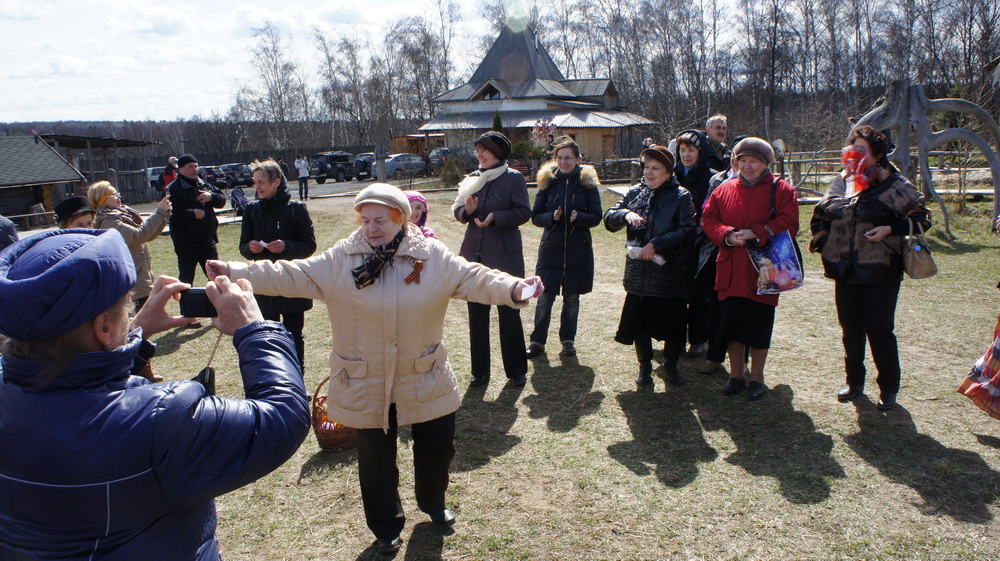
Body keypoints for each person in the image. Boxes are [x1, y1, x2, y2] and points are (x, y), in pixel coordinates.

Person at [206, 184, 542, 554]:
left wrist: (514, 288)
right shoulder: (341, 259)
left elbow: (475, 277)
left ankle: (433, 504)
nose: (372, 227)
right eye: (366, 220)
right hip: (364, 377)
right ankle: (385, 526)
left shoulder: (430, 256)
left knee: (437, 449)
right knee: (375, 462)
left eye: (380, 219)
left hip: (424, 372)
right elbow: (290, 274)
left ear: (403, 218)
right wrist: (235, 270)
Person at [0, 229, 310, 559]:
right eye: (125, 309)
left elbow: (75, 395)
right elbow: (282, 417)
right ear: (104, 328)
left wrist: (133, 336)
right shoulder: (158, 421)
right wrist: (254, 329)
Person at [810, 125, 930, 410]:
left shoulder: (894, 184)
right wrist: (825, 242)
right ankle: (854, 382)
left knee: (879, 330)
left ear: (877, 153)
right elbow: (821, 214)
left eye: (862, 149)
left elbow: (922, 218)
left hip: (881, 271)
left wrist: (889, 229)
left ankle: (888, 387)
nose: (855, 154)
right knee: (850, 329)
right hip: (846, 270)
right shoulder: (843, 181)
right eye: (852, 148)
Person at [702, 137, 799, 401]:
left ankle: (757, 378)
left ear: (766, 163)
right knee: (732, 324)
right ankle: (735, 375)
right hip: (731, 267)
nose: (747, 166)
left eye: (753, 161)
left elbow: (790, 222)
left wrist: (757, 231)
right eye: (742, 160)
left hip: (764, 271)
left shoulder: (782, 190)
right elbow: (709, 219)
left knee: (759, 325)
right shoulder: (723, 189)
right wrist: (727, 235)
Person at [604, 145, 696, 388]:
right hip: (638, 276)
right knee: (640, 325)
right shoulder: (635, 193)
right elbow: (609, 217)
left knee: (673, 326)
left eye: (656, 168)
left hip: (668, 274)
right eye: (646, 167)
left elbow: (688, 231)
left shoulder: (681, 196)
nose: (649, 172)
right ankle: (644, 366)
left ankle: (671, 365)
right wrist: (624, 214)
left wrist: (657, 244)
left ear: (668, 172)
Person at [452, 131, 532, 387]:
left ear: (498, 153)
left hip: (505, 256)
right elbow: (457, 210)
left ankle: (517, 370)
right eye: (477, 150)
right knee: (476, 314)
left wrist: (495, 217)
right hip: (474, 256)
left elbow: (523, 212)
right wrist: (468, 211)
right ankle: (480, 371)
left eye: (484, 150)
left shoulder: (513, 178)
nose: (479, 155)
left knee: (509, 312)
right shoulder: (473, 178)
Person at [526, 138, 603, 359]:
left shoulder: (587, 183)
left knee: (571, 299)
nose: (563, 161)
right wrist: (552, 216)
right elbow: (535, 216)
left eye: (568, 157)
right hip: (551, 248)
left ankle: (568, 341)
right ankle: (537, 342)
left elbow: (597, 216)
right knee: (544, 298)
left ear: (578, 159)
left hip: (578, 249)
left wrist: (580, 218)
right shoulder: (547, 182)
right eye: (559, 157)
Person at [240, 159, 316, 369]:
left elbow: (309, 246)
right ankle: (275, 380)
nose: (257, 187)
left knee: (293, 336)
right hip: (263, 283)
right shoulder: (251, 210)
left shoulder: (296, 208)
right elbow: (243, 246)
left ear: (276, 182)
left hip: (291, 280)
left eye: (262, 182)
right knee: (268, 337)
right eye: (255, 182)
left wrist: (286, 246)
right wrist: (250, 248)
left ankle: (297, 382)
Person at [674, 129, 725, 362]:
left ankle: (696, 340)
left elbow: (711, 212)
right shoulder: (672, 175)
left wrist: (696, 234)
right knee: (674, 292)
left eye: (691, 150)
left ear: (700, 152)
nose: (686, 155)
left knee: (698, 294)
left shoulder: (711, 177)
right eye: (682, 150)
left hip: (700, 244)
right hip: (674, 242)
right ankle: (673, 336)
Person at [88, 180, 171, 312]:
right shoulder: (108, 222)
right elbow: (138, 236)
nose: (118, 197)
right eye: (113, 194)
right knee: (137, 326)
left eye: (118, 193)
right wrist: (159, 212)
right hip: (131, 283)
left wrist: (163, 215)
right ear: (102, 200)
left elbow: (147, 236)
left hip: (140, 277)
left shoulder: (121, 214)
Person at [167, 153, 226, 285]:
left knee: (217, 278)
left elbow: (221, 201)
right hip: (186, 244)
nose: (195, 169)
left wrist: (211, 197)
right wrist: (192, 213)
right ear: (181, 170)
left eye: (196, 166)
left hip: (207, 241)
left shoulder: (203, 184)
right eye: (190, 167)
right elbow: (170, 215)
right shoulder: (173, 189)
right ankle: (186, 305)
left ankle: (217, 305)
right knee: (186, 280)